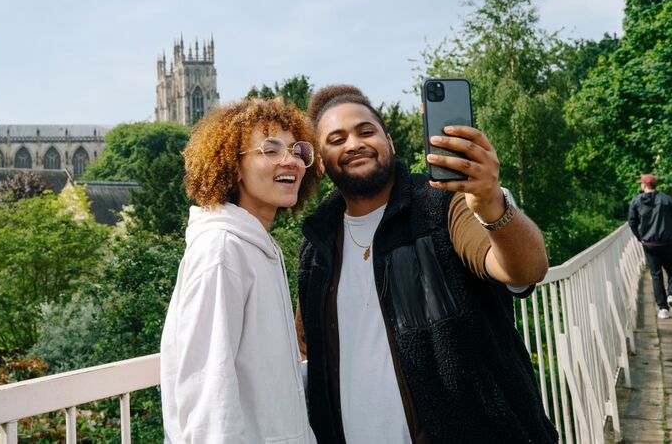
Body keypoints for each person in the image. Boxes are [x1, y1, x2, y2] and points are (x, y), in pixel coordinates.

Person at [296, 85, 557, 444]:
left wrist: (492, 202)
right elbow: (308, 353)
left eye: (366, 131)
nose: (354, 143)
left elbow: (525, 270)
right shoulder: (317, 248)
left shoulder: (443, 207)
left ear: (389, 141)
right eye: (337, 139)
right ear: (322, 161)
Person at [161, 98, 320, 443]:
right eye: (270, 149)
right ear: (232, 167)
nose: (289, 160)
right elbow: (207, 392)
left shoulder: (256, 247)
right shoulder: (221, 250)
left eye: (297, 150)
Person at [628, 173, 672, 320]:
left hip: (649, 244)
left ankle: (663, 309)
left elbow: (632, 222)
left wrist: (640, 237)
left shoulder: (636, 202)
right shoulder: (667, 200)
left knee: (656, 275)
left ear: (643, 185)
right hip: (667, 243)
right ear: (655, 185)